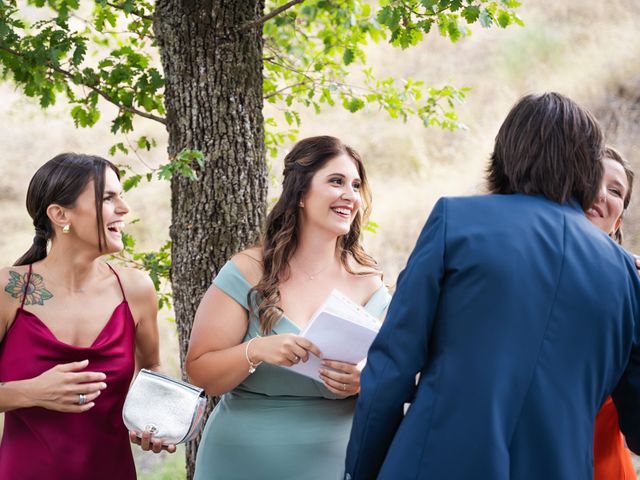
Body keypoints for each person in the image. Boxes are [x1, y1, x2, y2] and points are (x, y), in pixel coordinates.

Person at [344, 92, 640, 479]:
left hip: (436, 463)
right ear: (587, 168)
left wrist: (361, 469)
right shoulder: (624, 274)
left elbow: (390, 370)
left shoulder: (458, 220)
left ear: (506, 153)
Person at [186, 136, 390, 480]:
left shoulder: (370, 283)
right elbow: (200, 372)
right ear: (300, 193)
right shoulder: (247, 272)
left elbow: (398, 372)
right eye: (336, 181)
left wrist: (365, 378)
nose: (350, 195)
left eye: (356, 185)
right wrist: (257, 350)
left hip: (332, 463)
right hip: (238, 462)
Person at [0, 153, 170, 480]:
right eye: (108, 197)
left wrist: (154, 422)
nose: (124, 208)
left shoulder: (135, 289)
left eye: (122, 196)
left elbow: (152, 369)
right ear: (59, 214)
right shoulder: (9, 289)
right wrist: (32, 392)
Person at [586, 147, 637, 480]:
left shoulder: (631, 285)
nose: (600, 193)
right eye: (590, 180)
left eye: (616, 191)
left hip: (602, 468)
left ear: (617, 221)